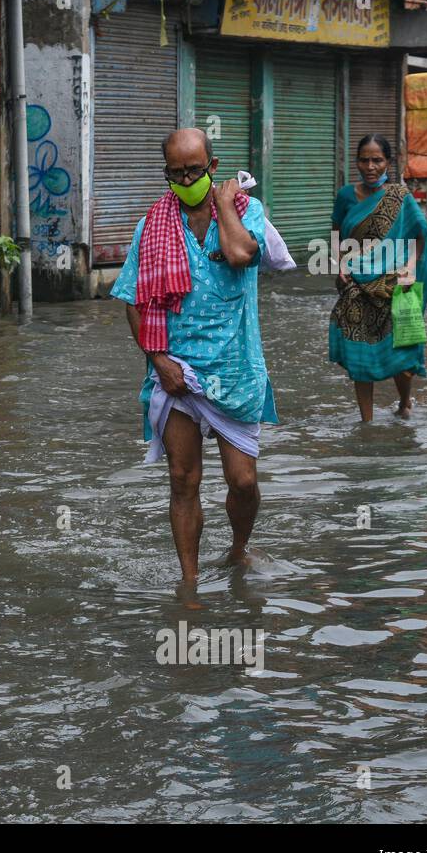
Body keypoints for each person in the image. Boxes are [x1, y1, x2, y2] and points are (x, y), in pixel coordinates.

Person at [110, 128, 278, 587]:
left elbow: (242, 255)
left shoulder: (247, 212)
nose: (187, 180)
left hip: (236, 369)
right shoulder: (153, 226)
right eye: (177, 173)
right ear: (166, 174)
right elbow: (133, 300)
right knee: (184, 480)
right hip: (176, 369)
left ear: (213, 167)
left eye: (195, 170)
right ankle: (189, 582)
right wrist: (157, 359)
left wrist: (223, 204)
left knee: (242, 481)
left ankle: (238, 549)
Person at [328, 134, 427, 421]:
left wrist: (410, 267)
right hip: (358, 285)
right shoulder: (346, 196)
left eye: (377, 160)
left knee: (405, 354)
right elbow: (337, 235)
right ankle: (367, 422)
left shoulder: (401, 196)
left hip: (398, 283)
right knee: (360, 352)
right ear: (357, 162)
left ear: (388, 161)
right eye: (364, 160)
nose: (371, 166)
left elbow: (421, 235)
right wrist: (340, 264)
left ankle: (404, 401)